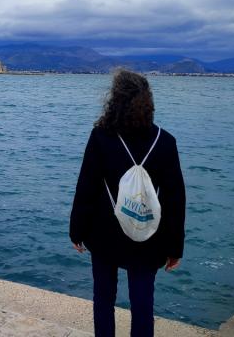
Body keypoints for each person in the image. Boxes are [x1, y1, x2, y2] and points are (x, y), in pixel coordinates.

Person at [70, 69, 185, 337]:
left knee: (104, 299)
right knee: (143, 303)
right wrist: (175, 247)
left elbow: (86, 186)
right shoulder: (165, 142)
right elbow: (175, 198)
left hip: (104, 233)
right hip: (147, 236)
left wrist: (77, 230)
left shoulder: (101, 137)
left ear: (115, 100)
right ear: (148, 101)